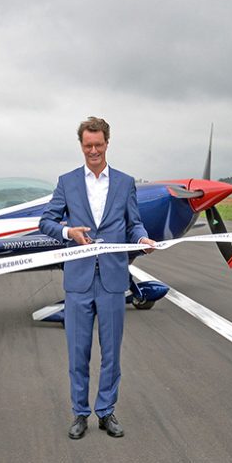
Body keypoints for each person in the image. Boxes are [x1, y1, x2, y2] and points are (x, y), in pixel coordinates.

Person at [39, 116, 156, 440]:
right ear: (81, 146)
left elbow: (134, 224)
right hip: (78, 281)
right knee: (78, 352)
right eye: (88, 145)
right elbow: (46, 221)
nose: (93, 150)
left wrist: (143, 239)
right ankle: (80, 413)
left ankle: (106, 411)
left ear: (107, 143)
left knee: (111, 352)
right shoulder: (67, 182)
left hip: (113, 280)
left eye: (98, 145)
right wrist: (67, 231)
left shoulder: (124, 182)